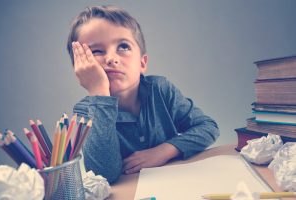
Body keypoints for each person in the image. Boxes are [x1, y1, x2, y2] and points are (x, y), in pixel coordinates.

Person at [66, 5, 219, 184]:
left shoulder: (160, 89)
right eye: (96, 51)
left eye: (123, 46)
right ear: (80, 68)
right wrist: (99, 94)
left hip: (176, 182)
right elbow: (103, 175)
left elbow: (208, 127)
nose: (111, 58)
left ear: (142, 63)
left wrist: (164, 150)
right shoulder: (85, 111)